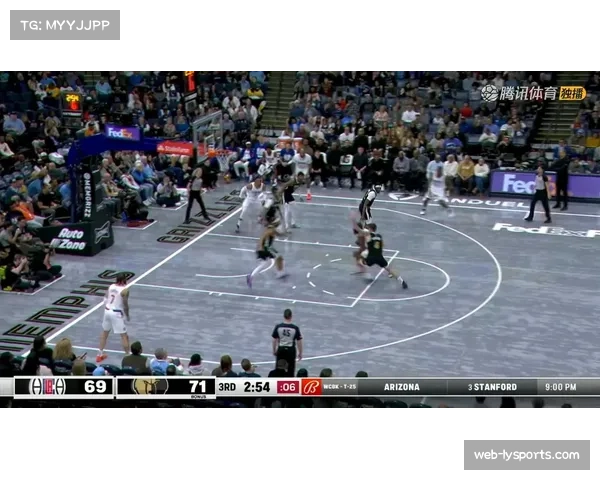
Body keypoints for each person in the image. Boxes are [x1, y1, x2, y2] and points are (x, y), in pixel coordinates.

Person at [353, 223, 408, 288]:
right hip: (379, 257)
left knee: (359, 260)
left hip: (371, 257)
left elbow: (360, 233)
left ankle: (368, 275)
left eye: (368, 228)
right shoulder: (379, 236)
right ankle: (401, 281)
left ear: (370, 229)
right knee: (389, 270)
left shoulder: (368, 235)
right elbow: (382, 246)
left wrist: (354, 222)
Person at [96, 272, 131, 363]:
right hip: (116, 313)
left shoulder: (111, 286)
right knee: (124, 336)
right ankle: (128, 356)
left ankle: (99, 354)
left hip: (107, 310)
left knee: (105, 333)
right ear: (124, 280)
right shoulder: (125, 290)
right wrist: (127, 315)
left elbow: (105, 298)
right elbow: (125, 305)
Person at [271, 309, 303, 376]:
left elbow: (274, 339)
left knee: (279, 368)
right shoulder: (295, 328)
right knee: (291, 369)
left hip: (281, 349)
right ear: (291, 316)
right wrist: (300, 353)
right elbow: (299, 341)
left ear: (284, 316)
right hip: (291, 350)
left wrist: (274, 350)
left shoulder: (278, 327)